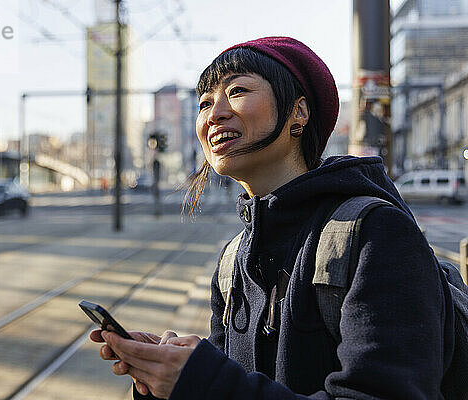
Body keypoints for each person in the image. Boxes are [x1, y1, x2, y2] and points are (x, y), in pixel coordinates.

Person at [90, 37, 455, 399]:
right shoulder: (234, 259)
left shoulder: (374, 232)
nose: (214, 113)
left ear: (298, 112)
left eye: (237, 91)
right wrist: (168, 379)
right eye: (204, 102)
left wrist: (206, 383)